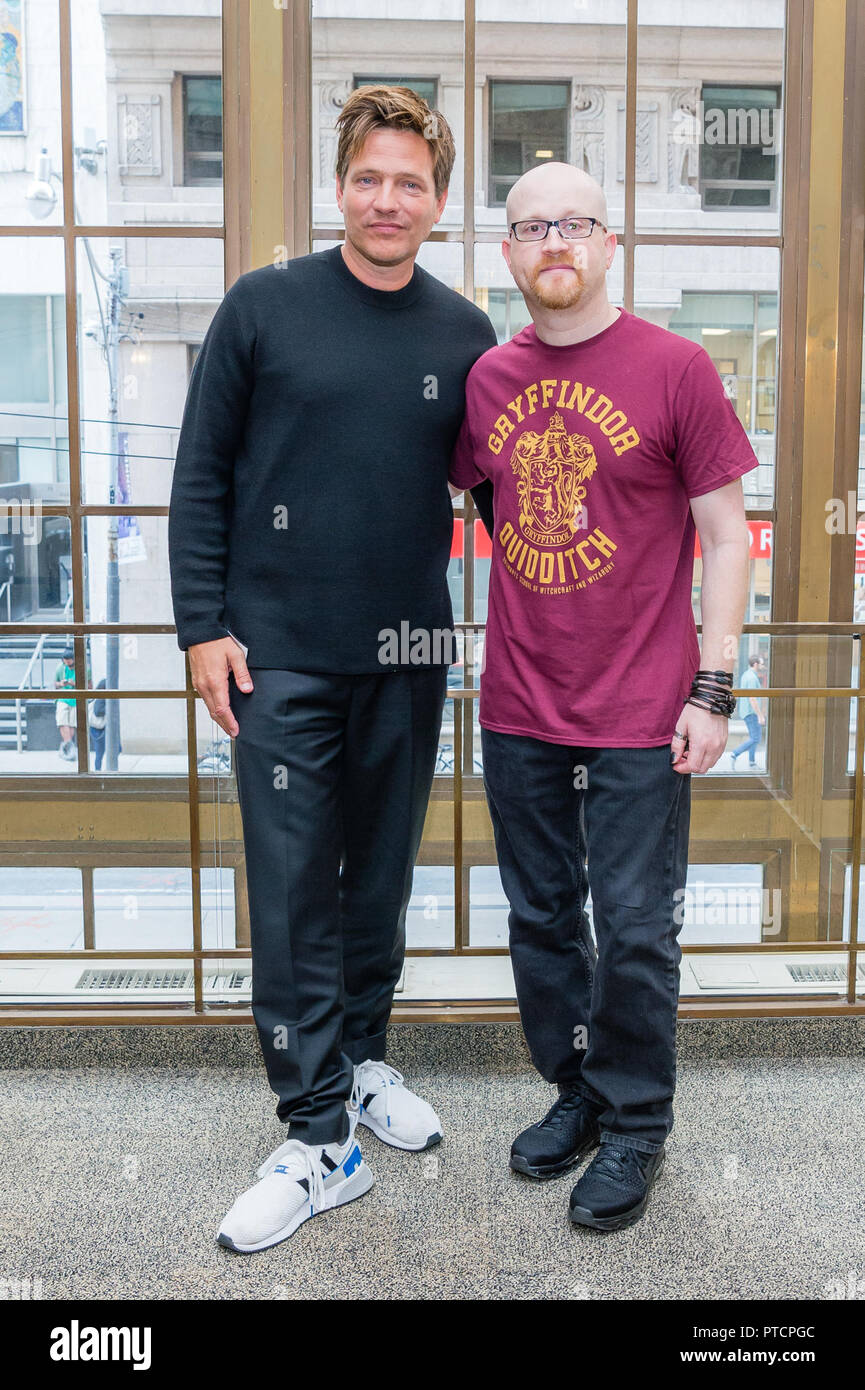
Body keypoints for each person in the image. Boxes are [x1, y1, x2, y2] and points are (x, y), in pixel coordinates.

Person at [168, 85, 497, 1254]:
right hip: (278, 662)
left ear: (439, 203)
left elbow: (510, 503)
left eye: (411, 182)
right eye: (370, 177)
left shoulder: (466, 335)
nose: (388, 199)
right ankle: (316, 1138)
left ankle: (356, 1065)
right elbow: (200, 476)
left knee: (378, 890)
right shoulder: (263, 308)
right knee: (299, 895)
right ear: (340, 185)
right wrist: (200, 626)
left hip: (408, 656)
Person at [449, 162, 758, 1232]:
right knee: (540, 916)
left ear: (609, 241)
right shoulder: (489, 378)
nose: (553, 244)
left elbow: (727, 536)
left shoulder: (676, 368)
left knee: (631, 925)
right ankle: (577, 1085)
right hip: (519, 702)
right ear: (509, 254)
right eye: (531, 228)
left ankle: (635, 1123)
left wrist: (713, 687)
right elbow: (494, 505)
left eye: (572, 223)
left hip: (643, 705)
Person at [730, 655, 766, 769]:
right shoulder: (752, 678)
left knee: (754, 737)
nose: (763, 666)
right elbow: (752, 698)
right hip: (751, 713)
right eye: (761, 663)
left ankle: (752, 762)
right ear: (755, 664)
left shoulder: (747, 674)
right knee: (756, 738)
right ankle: (735, 753)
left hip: (747, 712)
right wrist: (760, 715)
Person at [54, 643, 76, 761]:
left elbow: (89, 685)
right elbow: (55, 684)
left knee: (72, 724)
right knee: (63, 722)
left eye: (69, 661)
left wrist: (73, 683)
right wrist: (61, 684)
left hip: (75, 699)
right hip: (63, 697)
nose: (67, 663)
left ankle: (66, 748)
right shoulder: (60, 668)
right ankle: (70, 748)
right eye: (65, 661)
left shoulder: (82, 668)